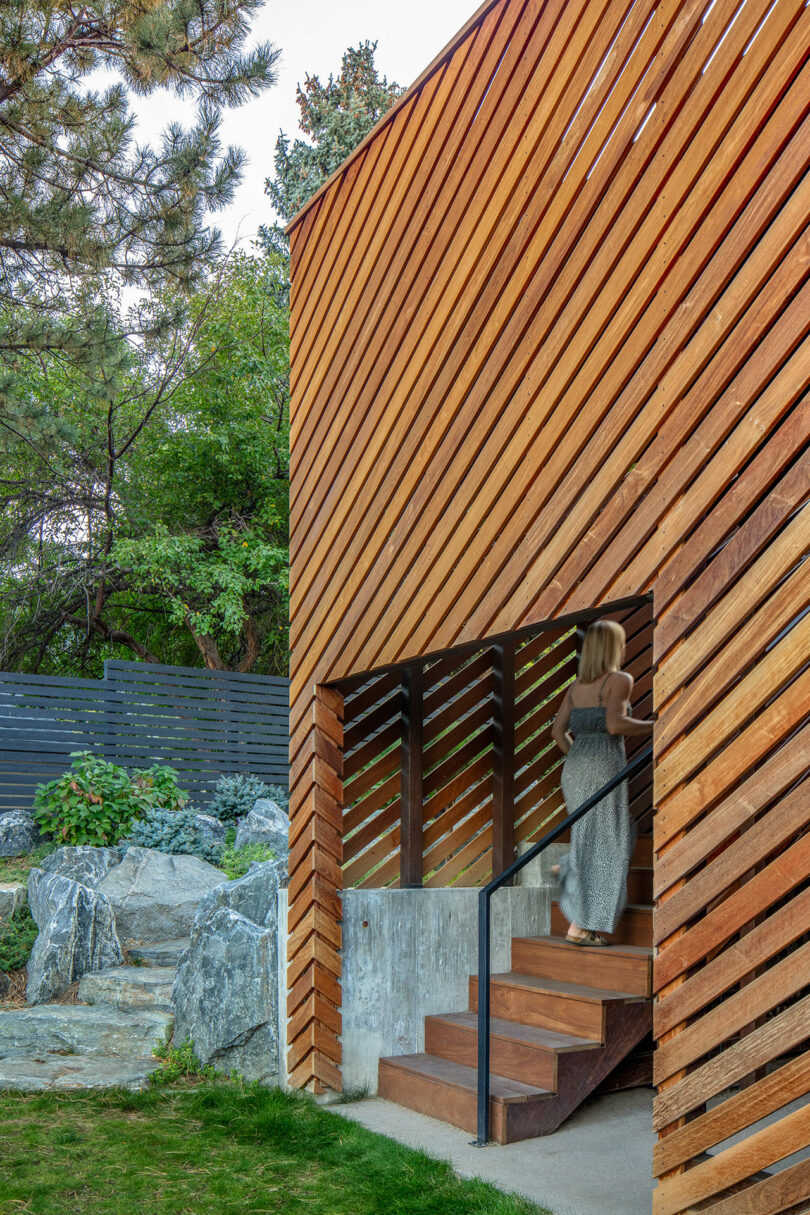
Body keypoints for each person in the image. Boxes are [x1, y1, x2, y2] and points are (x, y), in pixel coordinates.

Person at [550, 619, 654, 947]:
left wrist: (578, 756)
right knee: (608, 842)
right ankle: (580, 926)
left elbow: (557, 733)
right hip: (602, 769)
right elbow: (615, 724)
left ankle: (568, 867)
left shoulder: (577, 686)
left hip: (575, 768)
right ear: (614, 647)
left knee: (597, 837)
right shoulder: (619, 680)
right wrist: (656, 725)